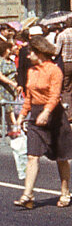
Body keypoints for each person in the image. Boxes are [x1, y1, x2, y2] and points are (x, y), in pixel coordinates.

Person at [13, 34, 72, 209]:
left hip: (55, 117)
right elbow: (29, 96)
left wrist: (46, 112)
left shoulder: (54, 70)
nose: (28, 56)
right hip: (36, 116)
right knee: (32, 156)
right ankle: (27, 195)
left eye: (31, 52)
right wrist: (22, 115)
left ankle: (65, 191)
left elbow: (55, 95)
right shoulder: (31, 71)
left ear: (40, 53)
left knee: (61, 158)